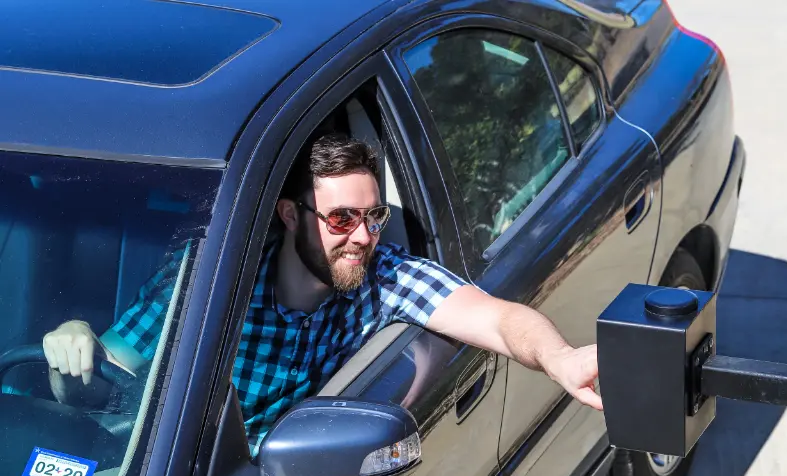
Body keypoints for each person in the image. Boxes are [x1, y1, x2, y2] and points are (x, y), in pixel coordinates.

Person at [42, 133, 603, 454]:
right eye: (341, 219)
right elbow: (101, 376)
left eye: (374, 216)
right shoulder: (211, 279)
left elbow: (501, 319)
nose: (362, 236)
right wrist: (73, 344)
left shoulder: (385, 276)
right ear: (291, 215)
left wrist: (561, 357)